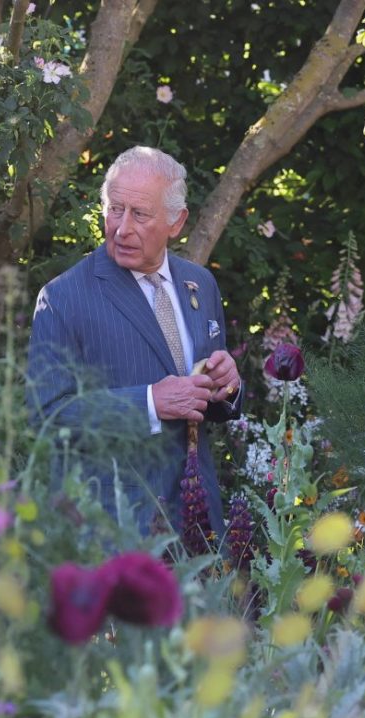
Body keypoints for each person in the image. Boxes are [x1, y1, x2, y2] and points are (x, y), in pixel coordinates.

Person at [26, 146, 241, 536]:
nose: (122, 228)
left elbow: (204, 396)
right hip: (113, 526)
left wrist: (227, 387)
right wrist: (149, 403)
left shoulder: (201, 284)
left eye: (140, 214)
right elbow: (47, 417)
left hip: (197, 521)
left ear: (177, 222)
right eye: (114, 209)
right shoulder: (64, 297)